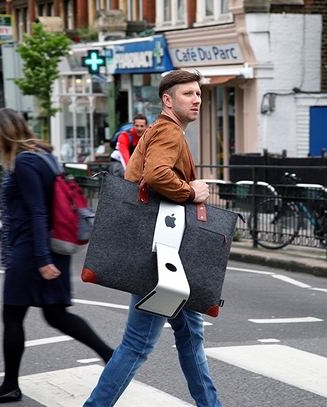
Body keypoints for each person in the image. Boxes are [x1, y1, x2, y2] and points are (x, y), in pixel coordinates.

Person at [84, 71, 220, 407]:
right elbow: (156, 174)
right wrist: (191, 190)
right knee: (138, 343)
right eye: (188, 93)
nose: (196, 99)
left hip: (165, 253)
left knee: (190, 337)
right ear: (168, 100)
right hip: (160, 257)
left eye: (198, 94)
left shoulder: (164, 130)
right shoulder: (168, 131)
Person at [0, 108, 114, 405]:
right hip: (45, 246)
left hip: (33, 251)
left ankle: (10, 385)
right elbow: (34, 206)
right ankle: (110, 357)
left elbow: (38, 210)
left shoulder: (24, 161)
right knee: (55, 314)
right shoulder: (43, 154)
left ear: (5, 133)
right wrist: (6, 231)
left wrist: (41, 259)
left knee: (12, 316)